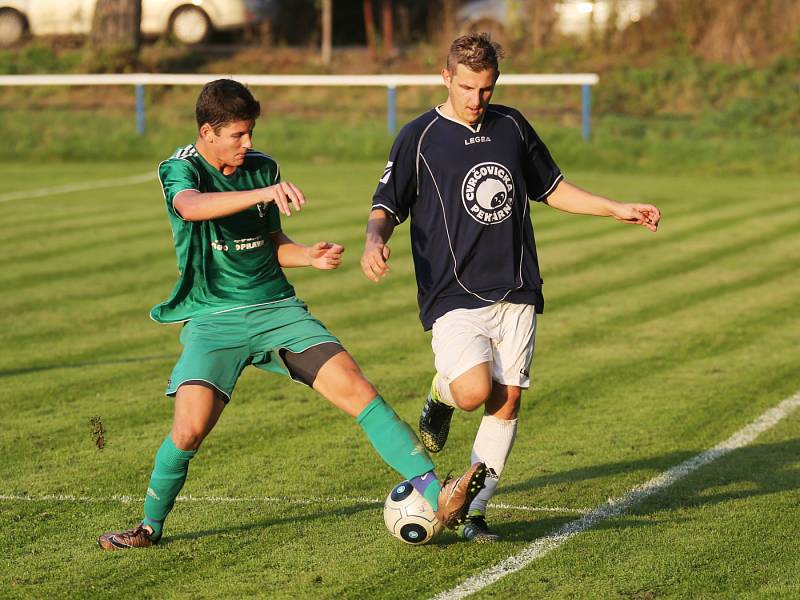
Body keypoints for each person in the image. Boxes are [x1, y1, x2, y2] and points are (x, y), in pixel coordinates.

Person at [98, 79, 486, 550]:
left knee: (358, 390)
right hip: (214, 319)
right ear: (208, 131)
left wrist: (307, 255)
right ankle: (148, 528)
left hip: (277, 309)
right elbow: (192, 208)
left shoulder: (262, 168)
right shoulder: (181, 170)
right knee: (189, 430)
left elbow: (269, 244)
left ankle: (436, 491)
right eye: (239, 135)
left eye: (251, 132)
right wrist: (260, 195)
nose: (250, 143)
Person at [360, 34, 661, 543]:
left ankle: (473, 510)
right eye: (468, 88)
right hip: (452, 291)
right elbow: (387, 204)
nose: (478, 100)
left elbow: (551, 187)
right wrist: (373, 240)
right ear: (446, 77)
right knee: (474, 392)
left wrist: (615, 207)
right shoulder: (420, 136)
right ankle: (441, 393)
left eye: (487, 89)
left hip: (517, 285)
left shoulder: (511, 125)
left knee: (508, 399)